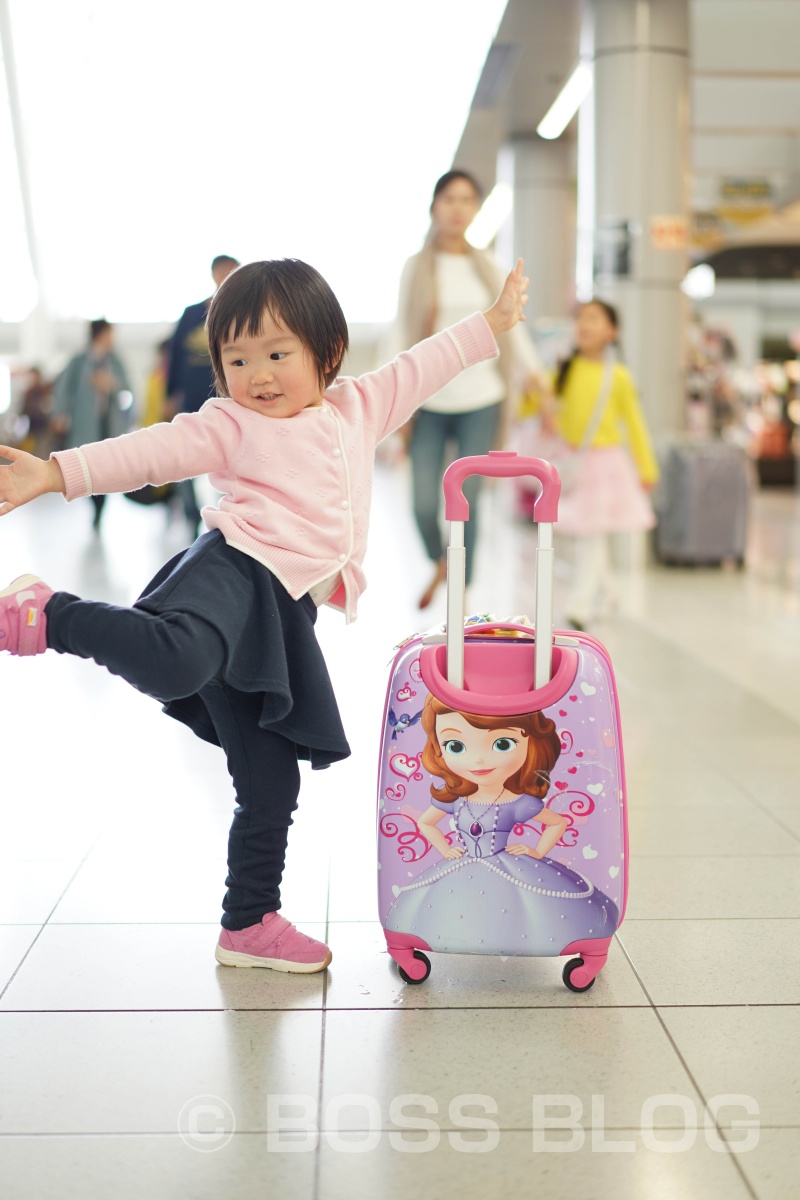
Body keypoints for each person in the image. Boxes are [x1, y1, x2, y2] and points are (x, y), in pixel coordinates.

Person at [0, 256, 529, 975]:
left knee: (273, 781)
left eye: (278, 353)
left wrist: (491, 324)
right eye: (237, 358)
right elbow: (153, 450)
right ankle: (47, 613)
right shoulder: (231, 423)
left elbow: (422, 365)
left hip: (281, 616)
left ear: (328, 354)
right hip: (233, 573)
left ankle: (247, 922)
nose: (259, 375)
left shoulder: (358, 406)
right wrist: (57, 472)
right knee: (176, 658)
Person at [393, 170, 544, 609]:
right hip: (429, 399)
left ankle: (462, 588)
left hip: (483, 398)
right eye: (449, 199)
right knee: (422, 500)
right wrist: (394, 395)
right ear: (434, 207)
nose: (458, 208)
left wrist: (534, 376)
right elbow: (402, 331)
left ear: (476, 210)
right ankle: (441, 561)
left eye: (466, 200)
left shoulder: (490, 267)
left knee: (469, 497)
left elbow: (511, 326)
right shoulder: (417, 267)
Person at [383, 694, 619, 954]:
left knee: (519, 908)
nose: (479, 760)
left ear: (532, 745)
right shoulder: (455, 799)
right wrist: (444, 850)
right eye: (456, 746)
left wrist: (537, 852)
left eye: (503, 744)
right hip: (461, 864)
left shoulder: (517, 801)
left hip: (507, 865)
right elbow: (425, 823)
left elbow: (557, 823)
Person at [541, 300, 659, 630]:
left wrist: (647, 468)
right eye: (580, 318)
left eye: (593, 318)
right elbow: (540, 406)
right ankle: (609, 593)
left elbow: (635, 423)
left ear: (612, 332)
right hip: (575, 463)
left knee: (591, 535)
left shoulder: (618, 376)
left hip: (607, 465)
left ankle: (580, 604)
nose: (584, 324)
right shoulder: (563, 370)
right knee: (591, 534)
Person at [166, 255, 240, 536]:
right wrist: (170, 393)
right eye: (221, 272)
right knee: (185, 454)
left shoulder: (243, 313)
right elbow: (175, 357)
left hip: (229, 398)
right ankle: (189, 512)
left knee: (231, 455)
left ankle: (232, 511)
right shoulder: (192, 314)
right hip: (192, 397)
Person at [52, 319, 133, 530]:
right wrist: (60, 414)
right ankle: (94, 504)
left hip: (109, 424)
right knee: (85, 463)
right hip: (85, 424)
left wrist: (111, 384)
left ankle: (100, 506)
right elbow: (64, 389)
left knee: (105, 467)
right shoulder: (79, 361)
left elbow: (127, 390)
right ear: (100, 334)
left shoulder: (115, 361)